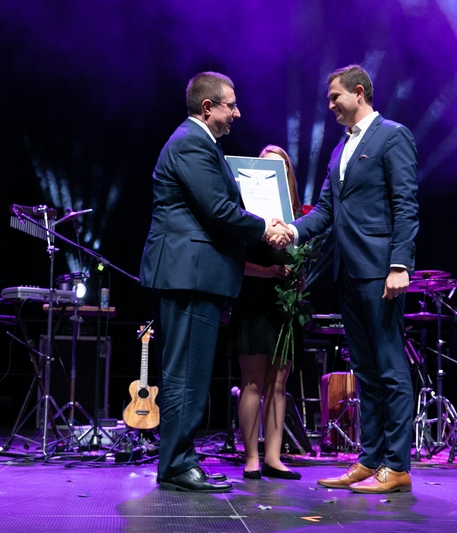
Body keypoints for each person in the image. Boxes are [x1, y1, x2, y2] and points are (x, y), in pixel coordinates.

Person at [139, 72, 290, 493]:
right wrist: (265, 229)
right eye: (231, 105)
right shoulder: (192, 142)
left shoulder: (200, 143)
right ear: (208, 107)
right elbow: (218, 209)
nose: (237, 113)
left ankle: (180, 461)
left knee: (189, 371)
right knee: (186, 372)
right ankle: (176, 465)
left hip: (192, 274)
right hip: (187, 275)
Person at [286, 64, 419, 494]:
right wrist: (291, 231)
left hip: (380, 271)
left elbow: (405, 203)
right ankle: (370, 459)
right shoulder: (341, 149)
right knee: (365, 370)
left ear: (359, 92)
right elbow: (325, 211)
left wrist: (400, 265)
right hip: (348, 272)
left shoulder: (392, 136)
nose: (330, 106)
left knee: (390, 368)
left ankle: (397, 467)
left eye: (335, 97)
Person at [228, 145, 303, 481]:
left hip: (283, 303)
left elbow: (302, 256)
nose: (274, 174)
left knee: (278, 384)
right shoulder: (244, 213)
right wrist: (268, 271)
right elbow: (234, 262)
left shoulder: (296, 214)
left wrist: (299, 276)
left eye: (281, 168)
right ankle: (251, 458)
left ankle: (274, 457)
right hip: (253, 300)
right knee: (253, 382)